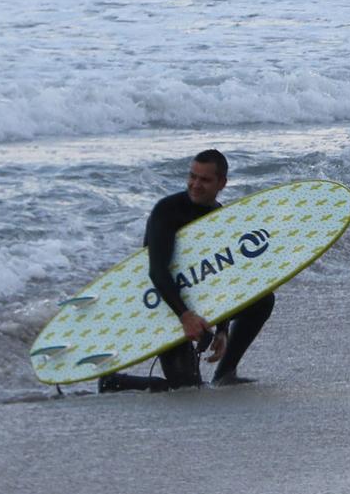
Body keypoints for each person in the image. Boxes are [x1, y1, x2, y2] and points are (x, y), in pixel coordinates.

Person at [106, 149, 274, 391]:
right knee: (187, 389)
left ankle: (226, 373)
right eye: (192, 176)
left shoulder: (220, 217)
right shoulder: (167, 211)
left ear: (222, 183)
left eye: (204, 180)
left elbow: (223, 277)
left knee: (263, 300)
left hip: (199, 304)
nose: (195, 184)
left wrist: (222, 329)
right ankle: (114, 381)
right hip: (165, 305)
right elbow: (157, 271)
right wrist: (185, 316)